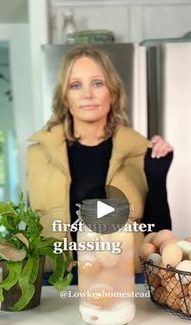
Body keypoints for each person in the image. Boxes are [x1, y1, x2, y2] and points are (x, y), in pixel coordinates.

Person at [27, 46, 173, 277]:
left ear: (112, 92)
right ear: (65, 97)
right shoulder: (38, 154)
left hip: (124, 281)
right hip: (54, 283)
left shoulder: (138, 150)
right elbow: (31, 226)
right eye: (76, 85)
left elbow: (158, 237)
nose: (88, 95)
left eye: (97, 83)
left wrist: (157, 179)